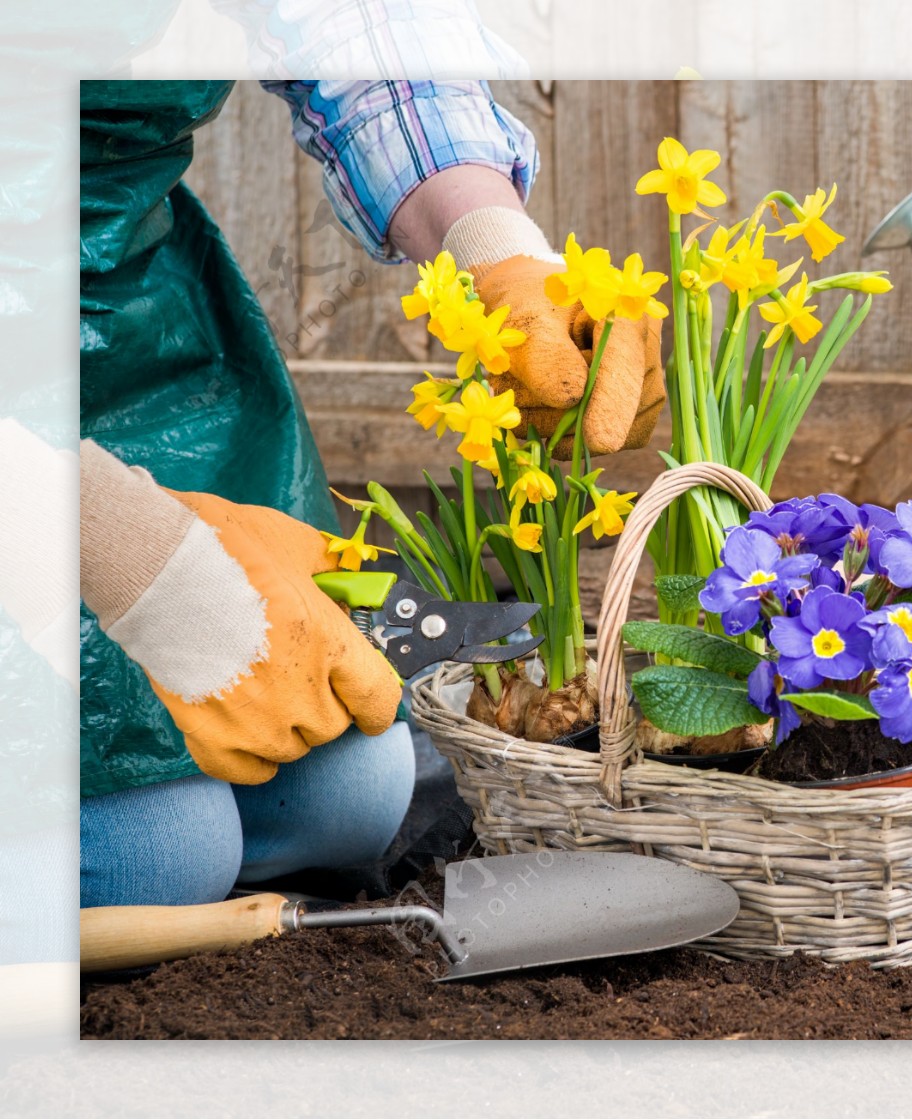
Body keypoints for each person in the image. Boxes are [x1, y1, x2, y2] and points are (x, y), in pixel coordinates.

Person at [78, 78, 664, 909]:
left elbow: (361, 38)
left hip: (134, 320)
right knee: (163, 859)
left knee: (353, 793)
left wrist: (496, 251)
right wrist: (116, 541)